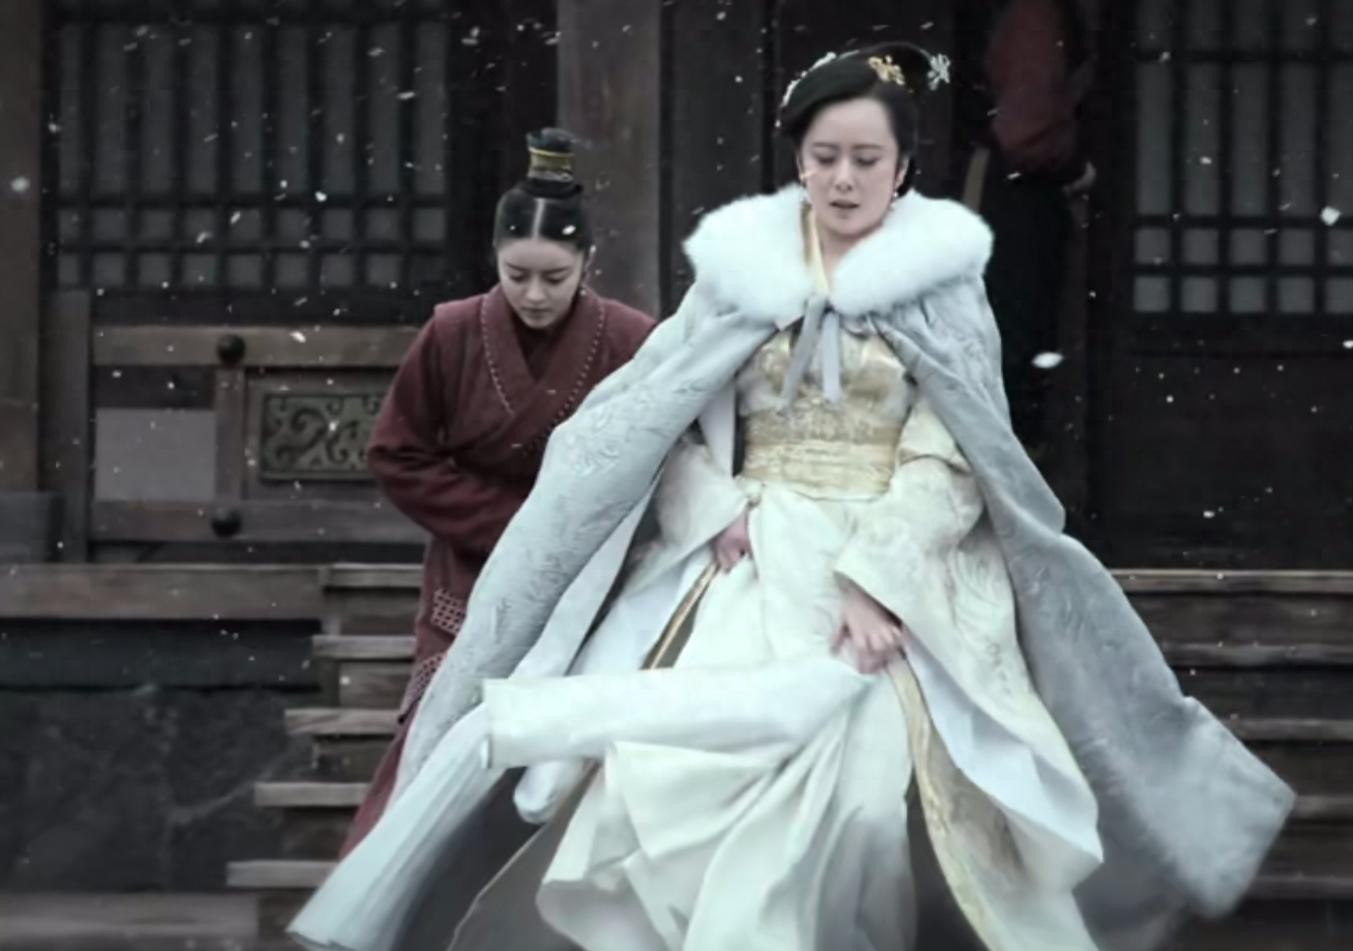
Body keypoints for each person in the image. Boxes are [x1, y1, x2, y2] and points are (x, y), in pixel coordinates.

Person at [292, 45, 1292, 951]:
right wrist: (713, 507)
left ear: (903, 168)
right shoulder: (738, 278)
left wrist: (878, 578)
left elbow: (956, 453)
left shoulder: (943, 289)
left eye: (866, 158)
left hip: (888, 569)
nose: (844, 178)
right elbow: (662, 419)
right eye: (825, 157)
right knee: (658, 779)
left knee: (858, 798)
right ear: (799, 165)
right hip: (745, 556)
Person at [340, 128, 654, 855]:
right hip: (474, 562)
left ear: (587, 263)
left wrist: (580, 534)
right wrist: (510, 525)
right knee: (446, 733)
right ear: (494, 257)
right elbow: (397, 452)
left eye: (554, 277)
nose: (534, 294)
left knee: (565, 748)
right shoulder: (451, 333)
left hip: (587, 568)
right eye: (517, 275)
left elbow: (663, 456)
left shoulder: (630, 338)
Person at [953, 0, 1098, 457]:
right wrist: (1075, 167)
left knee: (1007, 342)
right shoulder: (1036, 13)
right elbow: (1027, 132)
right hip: (1017, 193)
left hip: (1010, 189)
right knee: (1011, 340)